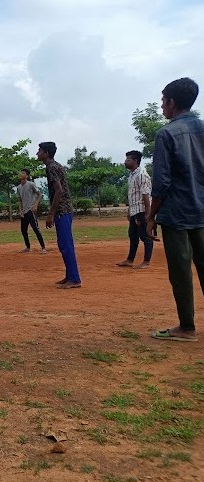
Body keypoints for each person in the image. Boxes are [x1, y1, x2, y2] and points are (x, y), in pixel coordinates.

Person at [147, 77, 204, 342]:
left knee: (181, 271)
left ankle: (187, 328)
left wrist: (151, 216)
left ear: (172, 102)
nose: (161, 107)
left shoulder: (166, 134)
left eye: (162, 101)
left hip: (177, 215)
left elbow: (162, 183)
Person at [39, 142, 81, 289]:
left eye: (40, 151)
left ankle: (74, 279)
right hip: (64, 210)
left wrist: (51, 213)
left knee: (66, 245)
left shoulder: (51, 167)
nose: (37, 153)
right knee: (64, 244)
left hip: (62, 211)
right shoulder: (55, 165)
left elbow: (59, 191)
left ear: (46, 153)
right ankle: (70, 276)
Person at [116, 150, 153, 269]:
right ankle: (130, 260)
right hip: (134, 210)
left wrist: (148, 213)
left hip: (141, 210)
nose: (125, 162)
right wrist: (129, 210)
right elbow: (133, 194)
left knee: (144, 236)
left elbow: (145, 195)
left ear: (135, 161)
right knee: (132, 235)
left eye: (128, 160)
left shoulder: (141, 174)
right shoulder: (132, 175)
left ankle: (146, 261)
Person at [16, 169, 46, 254]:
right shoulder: (18, 187)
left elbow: (40, 194)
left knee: (35, 229)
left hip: (30, 210)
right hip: (24, 212)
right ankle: (28, 247)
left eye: (23, 173)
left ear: (27, 176)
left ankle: (43, 248)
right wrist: (20, 210)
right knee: (23, 230)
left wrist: (36, 204)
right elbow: (20, 200)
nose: (21, 174)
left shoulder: (31, 184)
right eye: (21, 172)